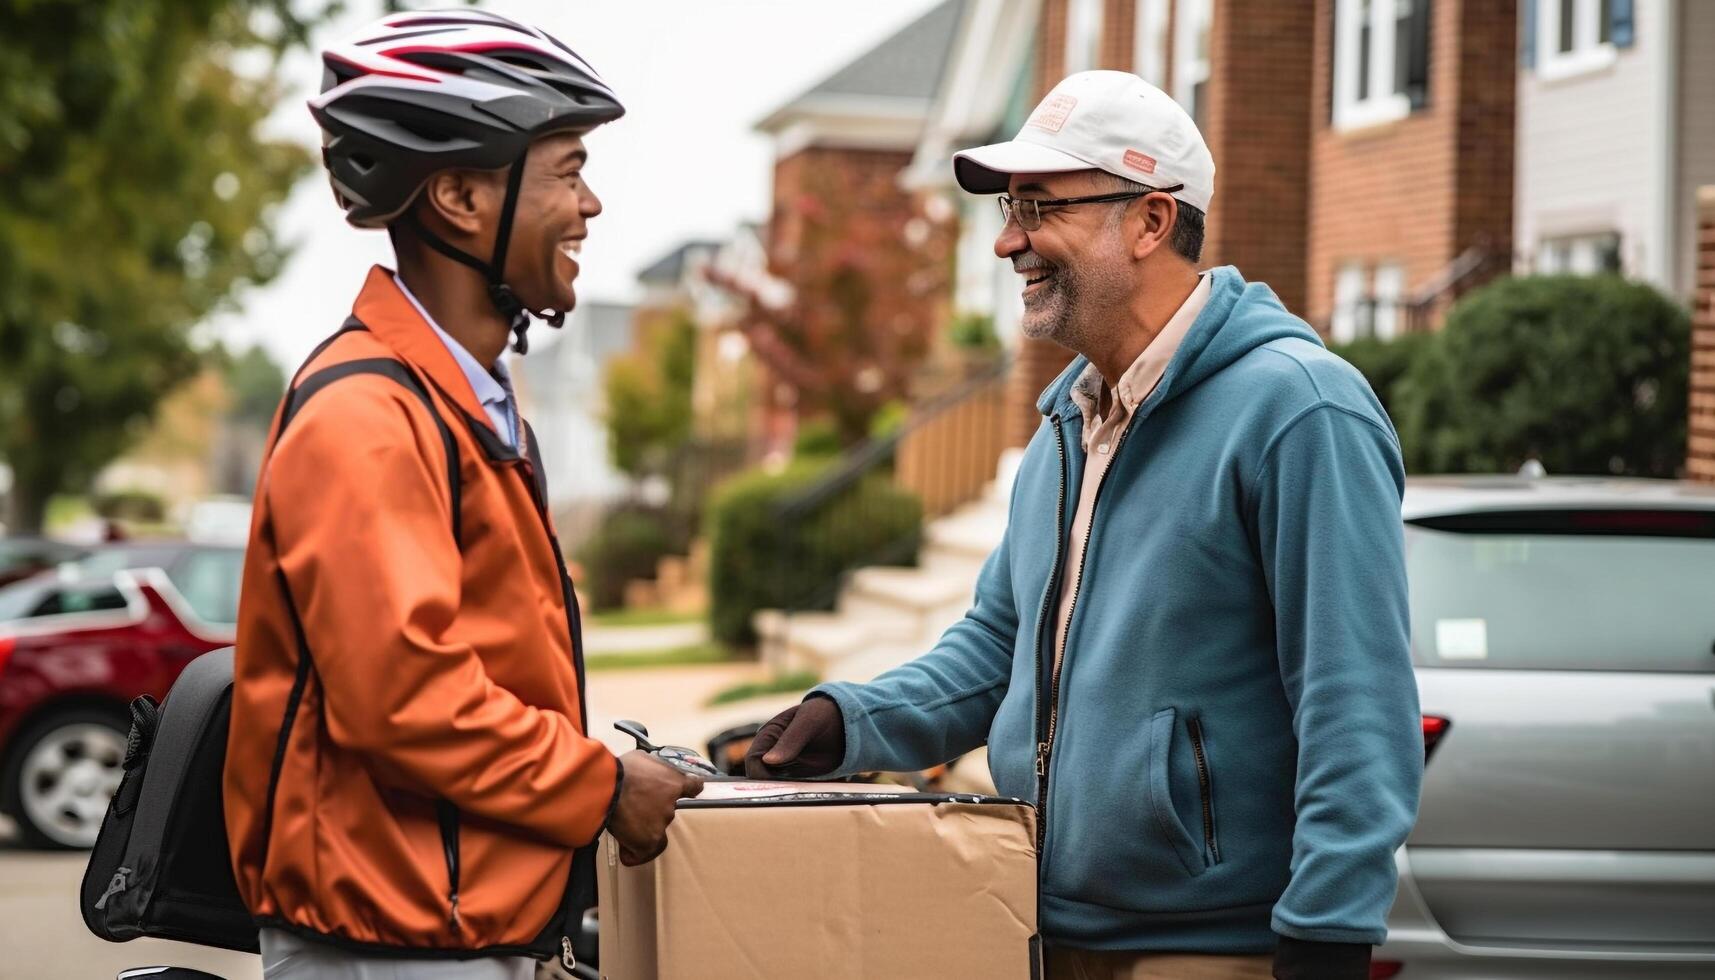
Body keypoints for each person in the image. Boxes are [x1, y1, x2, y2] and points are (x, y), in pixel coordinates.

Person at [747, 70, 1421, 980]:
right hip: (1038, 921)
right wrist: (854, 718)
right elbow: (998, 644)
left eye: (1039, 207)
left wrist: (1327, 933)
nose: (1008, 241)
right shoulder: (1070, 421)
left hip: (1211, 945)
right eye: (1009, 207)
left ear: (1149, 220)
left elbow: (1354, 701)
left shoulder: (1298, 412)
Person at [222, 11, 700, 979]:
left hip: (455, 925)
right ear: (457, 198)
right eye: (566, 171)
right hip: (393, 940)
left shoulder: (459, 401)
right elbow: (404, 698)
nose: (591, 204)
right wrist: (600, 782)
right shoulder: (369, 415)